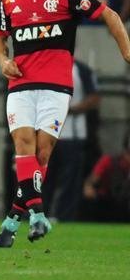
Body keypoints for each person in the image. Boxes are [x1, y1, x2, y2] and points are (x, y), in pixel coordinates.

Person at [0, 0, 130, 247]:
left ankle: (13, 217)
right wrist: (3, 60)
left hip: (56, 86)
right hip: (21, 84)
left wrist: (126, 51)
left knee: (42, 153)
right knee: (23, 143)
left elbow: (109, 15)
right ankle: (38, 214)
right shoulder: (8, 0)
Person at [47, 61, 99, 222]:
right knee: (43, 178)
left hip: (72, 135)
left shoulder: (81, 70)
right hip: (47, 134)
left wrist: (73, 109)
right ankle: (39, 215)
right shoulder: (46, 65)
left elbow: (94, 97)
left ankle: (64, 217)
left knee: (70, 180)